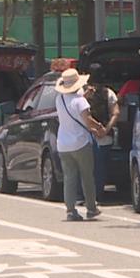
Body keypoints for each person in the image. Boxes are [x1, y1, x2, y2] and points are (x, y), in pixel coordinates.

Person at [54, 68, 106, 221]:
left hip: (63, 144)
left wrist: (84, 96)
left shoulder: (60, 99)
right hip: (81, 143)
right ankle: (91, 208)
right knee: (87, 176)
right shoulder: (81, 101)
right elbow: (87, 119)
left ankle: (70, 211)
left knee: (69, 177)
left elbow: (72, 105)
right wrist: (99, 127)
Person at [84, 80, 119, 199]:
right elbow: (116, 113)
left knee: (86, 168)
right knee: (100, 168)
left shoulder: (82, 93)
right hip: (105, 137)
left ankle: (86, 196)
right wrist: (106, 129)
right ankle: (97, 195)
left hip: (85, 136)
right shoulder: (108, 93)